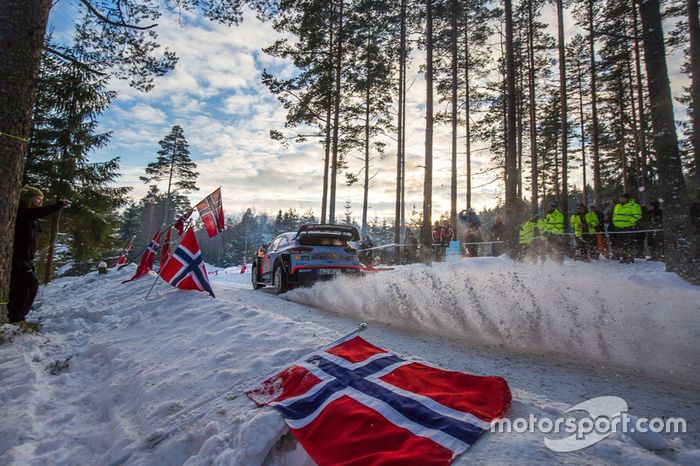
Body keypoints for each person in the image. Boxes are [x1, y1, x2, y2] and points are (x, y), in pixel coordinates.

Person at [9, 186, 70, 323]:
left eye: (42, 200)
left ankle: (16, 316)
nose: (41, 202)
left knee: (24, 287)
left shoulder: (31, 216)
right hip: (16, 258)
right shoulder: (21, 211)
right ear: (28, 199)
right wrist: (57, 206)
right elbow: (37, 212)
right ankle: (15, 318)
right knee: (30, 284)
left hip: (26, 259)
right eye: (38, 199)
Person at [612, 192, 642, 264]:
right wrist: (615, 221)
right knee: (621, 243)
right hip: (618, 228)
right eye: (620, 198)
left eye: (622, 197)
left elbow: (638, 215)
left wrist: (630, 221)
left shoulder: (634, 205)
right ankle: (624, 257)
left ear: (627, 198)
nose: (621, 199)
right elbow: (614, 215)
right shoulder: (617, 206)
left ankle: (630, 257)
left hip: (629, 227)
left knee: (628, 243)